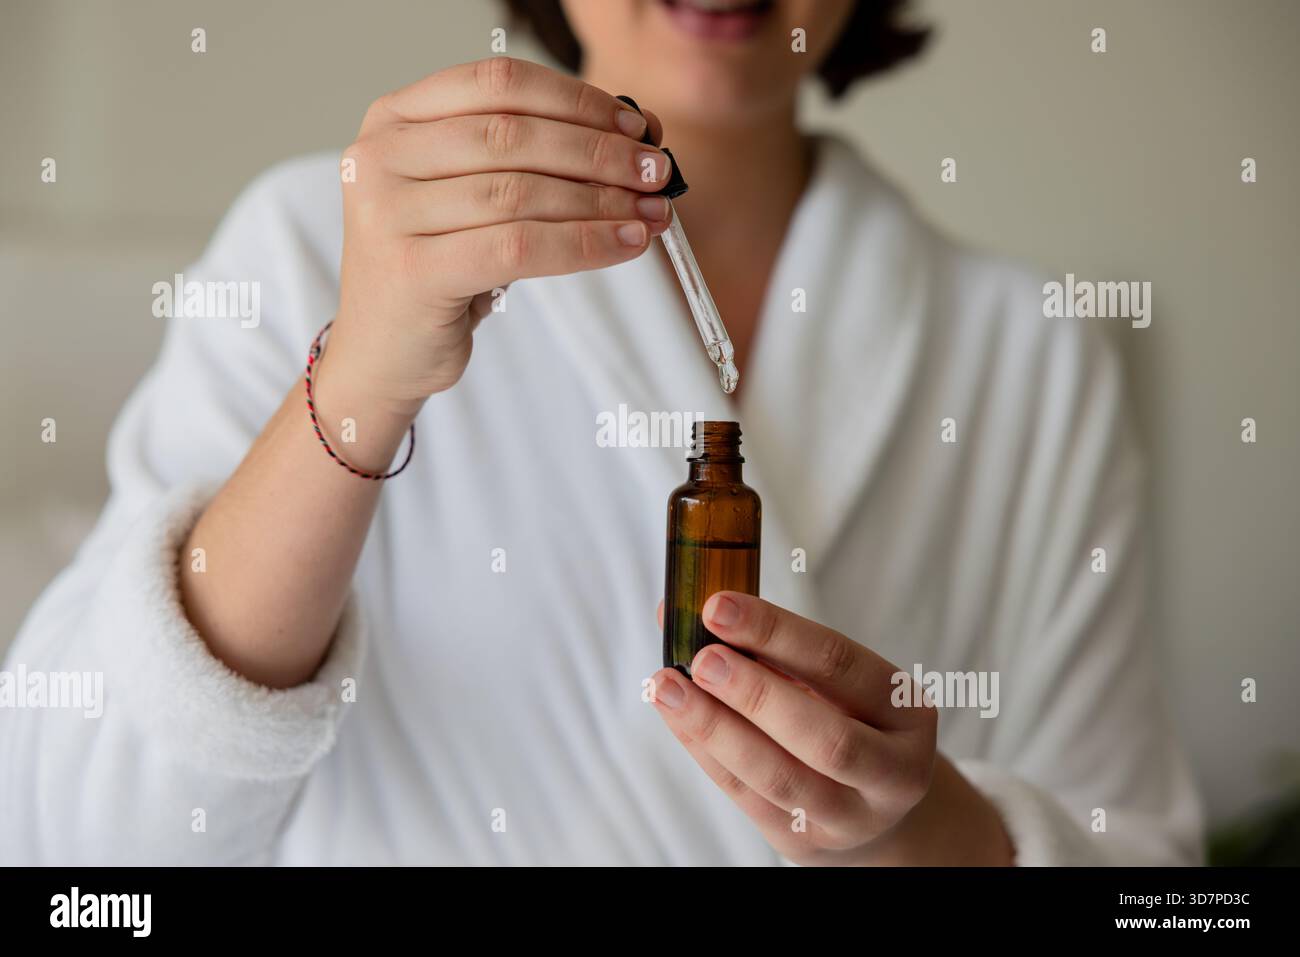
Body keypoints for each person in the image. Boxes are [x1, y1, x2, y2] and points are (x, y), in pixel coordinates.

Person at [0, 0, 1201, 865]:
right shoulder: (313, 246)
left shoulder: (1033, 351)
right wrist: (364, 375)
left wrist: (921, 834)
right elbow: (82, 842)